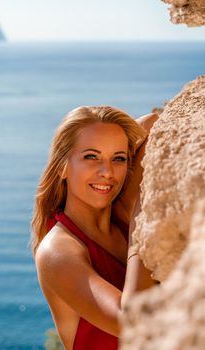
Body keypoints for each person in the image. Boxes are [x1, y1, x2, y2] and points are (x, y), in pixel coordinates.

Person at [31, 106, 158, 350]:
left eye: (118, 159)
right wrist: (144, 217)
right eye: (91, 156)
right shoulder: (57, 252)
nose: (107, 173)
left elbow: (152, 121)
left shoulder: (121, 214)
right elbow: (132, 324)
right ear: (62, 166)